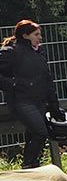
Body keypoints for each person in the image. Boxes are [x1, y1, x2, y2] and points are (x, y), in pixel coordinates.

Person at [0, 20, 62, 168]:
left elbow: (47, 80)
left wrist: (54, 105)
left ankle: (32, 166)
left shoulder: (38, 53)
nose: (40, 38)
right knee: (41, 133)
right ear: (25, 35)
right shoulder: (11, 52)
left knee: (34, 134)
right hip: (21, 101)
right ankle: (29, 164)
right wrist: (12, 85)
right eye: (36, 34)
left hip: (39, 101)